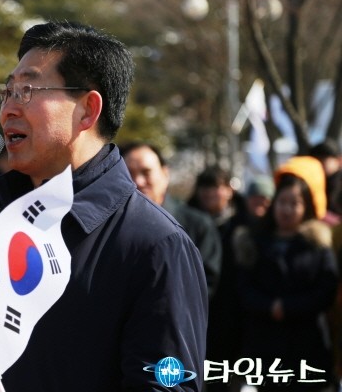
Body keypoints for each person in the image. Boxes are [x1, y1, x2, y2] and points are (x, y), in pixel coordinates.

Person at [0, 20, 208, 391]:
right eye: (7, 92)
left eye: (27, 90)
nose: (8, 109)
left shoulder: (155, 244)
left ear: (87, 110)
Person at [233, 156, 338, 391]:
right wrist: (269, 306)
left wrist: (289, 307)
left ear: (306, 207)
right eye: (282, 202)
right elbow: (244, 287)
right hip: (264, 346)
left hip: (308, 347)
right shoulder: (253, 241)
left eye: (295, 203)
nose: (287, 210)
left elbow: (326, 289)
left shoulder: (317, 245)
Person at [121, 141, 222, 298]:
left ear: (165, 174)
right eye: (129, 174)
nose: (138, 181)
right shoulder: (112, 226)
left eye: (146, 172)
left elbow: (205, 284)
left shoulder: (198, 225)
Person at [187, 166, 252, 392]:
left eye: (215, 187)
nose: (209, 193)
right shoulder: (186, 221)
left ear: (229, 190)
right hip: (198, 310)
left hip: (235, 311)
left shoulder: (244, 224)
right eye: (205, 187)